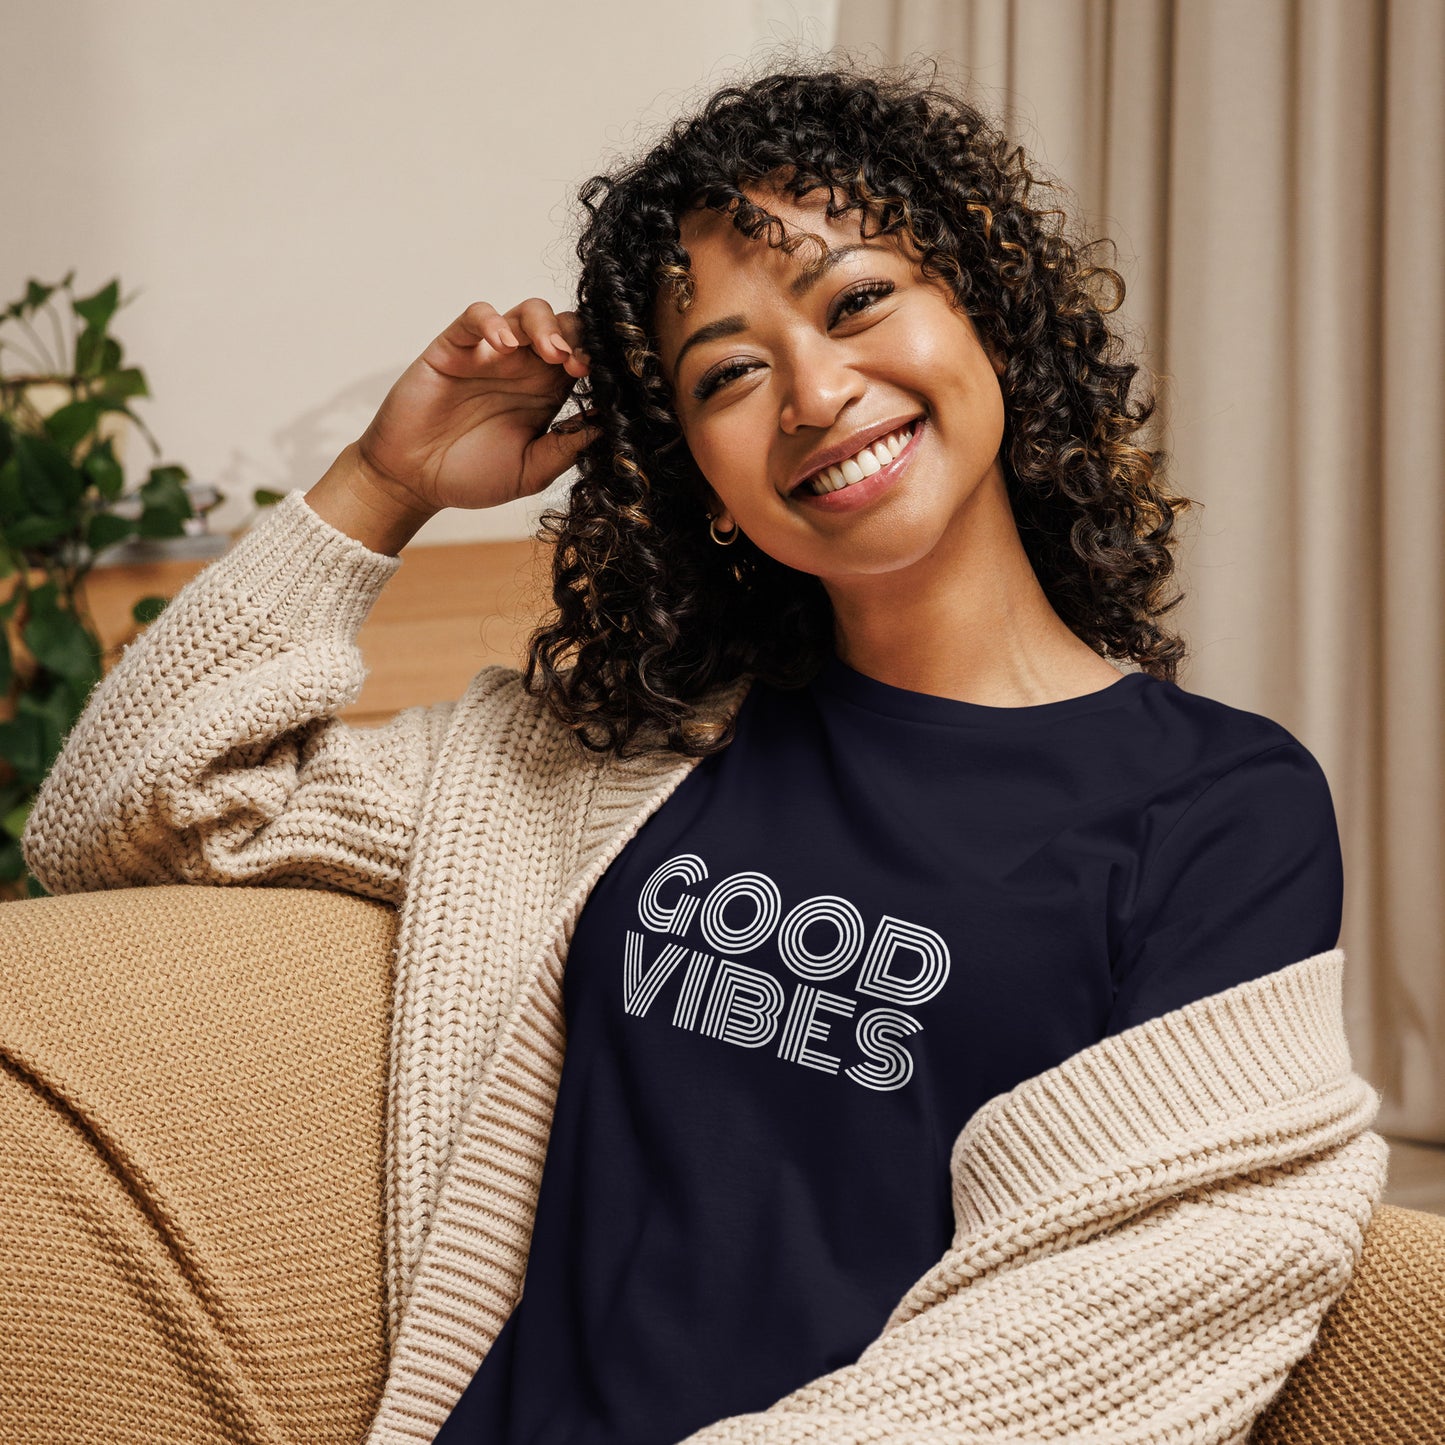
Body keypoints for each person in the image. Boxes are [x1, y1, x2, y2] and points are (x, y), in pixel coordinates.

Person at [15, 59, 1386, 1445]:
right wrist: (383, 483)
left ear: (986, 314)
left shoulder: (1216, 805)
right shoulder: (609, 763)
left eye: (857, 300)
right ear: (703, 482)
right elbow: (128, 814)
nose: (811, 390)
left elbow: (1126, 1307)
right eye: (728, 371)